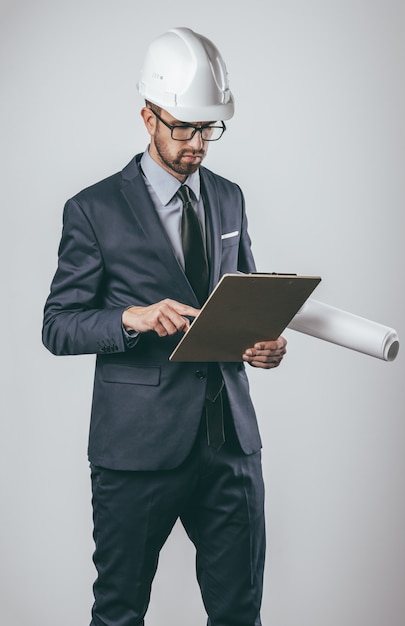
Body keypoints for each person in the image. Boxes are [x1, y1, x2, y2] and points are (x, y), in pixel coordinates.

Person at [42, 26, 287, 626]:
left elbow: (246, 295)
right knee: (120, 612)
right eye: (183, 126)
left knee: (239, 613)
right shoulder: (93, 209)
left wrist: (265, 343)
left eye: (209, 128)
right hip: (137, 452)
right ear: (148, 116)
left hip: (230, 445)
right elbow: (58, 326)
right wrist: (132, 318)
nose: (197, 143)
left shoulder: (229, 198)